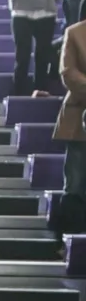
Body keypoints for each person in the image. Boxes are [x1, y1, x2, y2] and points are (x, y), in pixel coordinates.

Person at [54, 14, 86, 232]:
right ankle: (69, 240)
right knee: (74, 183)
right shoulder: (75, 32)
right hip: (79, 116)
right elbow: (67, 72)